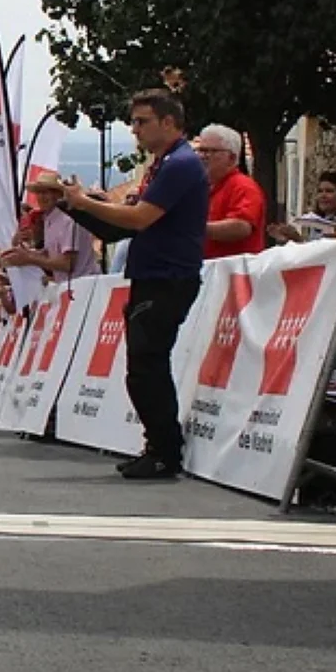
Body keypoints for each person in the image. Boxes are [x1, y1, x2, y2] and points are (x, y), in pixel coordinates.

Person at [62, 89, 208, 480]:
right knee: (143, 366)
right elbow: (118, 225)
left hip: (168, 276)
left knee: (147, 366)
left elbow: (140, 218)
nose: (135, 130)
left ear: (168, 122)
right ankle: (157, 446)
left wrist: (86, 202)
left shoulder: (180, 163)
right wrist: (75, 203)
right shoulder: (162, 165)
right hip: (152, 274)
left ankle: (164, 451)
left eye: (143, 122)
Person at [3, 171, 101, 283]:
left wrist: (30, 258)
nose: (41, 197)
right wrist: (24, 253)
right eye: (38, 193)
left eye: (45, 192)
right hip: (70, 287)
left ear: (58, 195)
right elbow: (50, 253)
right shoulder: (50, 218)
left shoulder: (68, 219)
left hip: (83, 286)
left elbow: (67, 264)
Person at [196, 124, 266, 260]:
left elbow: (241, 227)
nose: (203, 157)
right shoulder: (203, 186)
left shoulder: (243, 186)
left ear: (232, 158)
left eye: (211, 151)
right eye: (201, 151)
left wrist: (192, 228)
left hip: (234, 274)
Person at [269, 170, 336, 245]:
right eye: (320, 191)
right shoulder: (315, 222)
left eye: (329, 191)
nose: (323, 195)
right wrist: (291, 239)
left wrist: (298, 239)